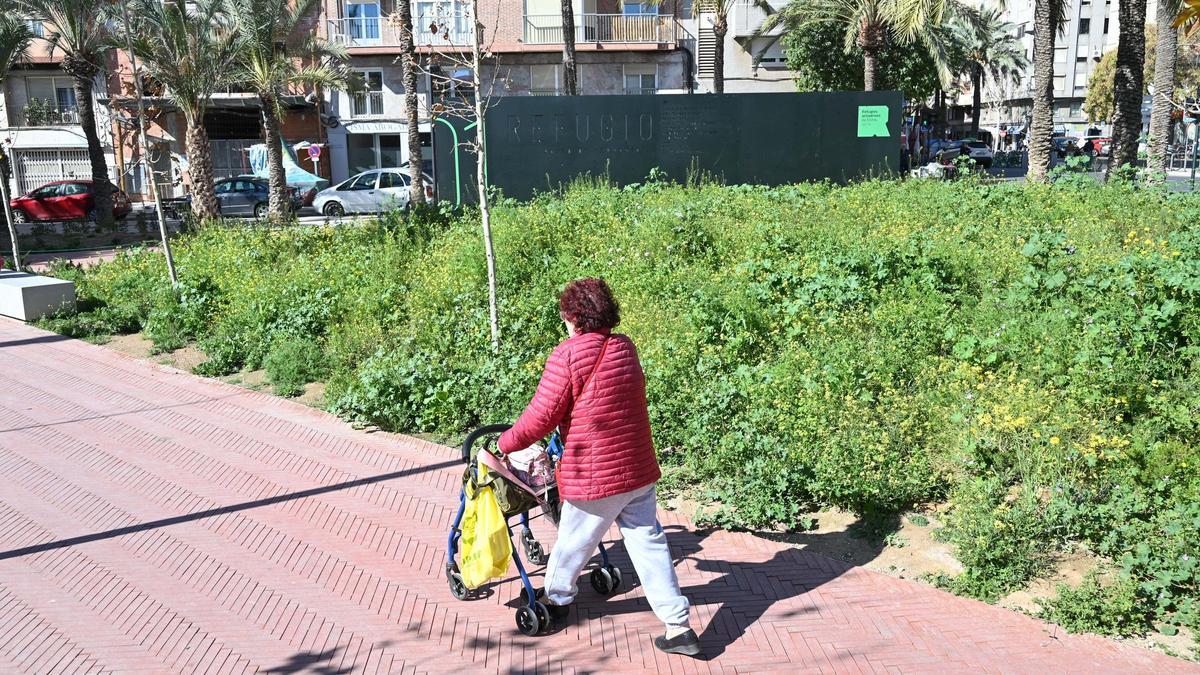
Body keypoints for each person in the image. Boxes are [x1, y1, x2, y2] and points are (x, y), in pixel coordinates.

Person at [497, 278, 700, 657]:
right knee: (649, 545)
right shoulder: (624, 347)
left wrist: (504, 443)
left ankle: (555, 602)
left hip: (596, 475)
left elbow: (540, 418)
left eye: (565, 316)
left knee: (572, 544)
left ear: (575, 318)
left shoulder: (567, 355)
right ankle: (678, 627)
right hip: (637, 470)